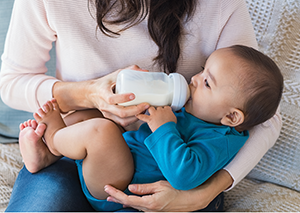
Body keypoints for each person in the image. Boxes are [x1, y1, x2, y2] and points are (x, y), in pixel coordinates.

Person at [0, 0, 282, 212]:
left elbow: (261, 115)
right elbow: (11, 81)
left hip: (152, 181)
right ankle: (50, 146)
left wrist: (203, 193)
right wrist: (87, 94)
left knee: (97, 130)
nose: (195, 79)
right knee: (88, 122)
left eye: (206, 79)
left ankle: (53, 139)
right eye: (202, 70)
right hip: (90, 154)